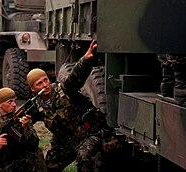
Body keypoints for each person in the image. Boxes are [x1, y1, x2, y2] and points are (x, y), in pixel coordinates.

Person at [26, 41, 117, 171]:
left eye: (45, 80)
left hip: (88, 134)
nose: (45, 85)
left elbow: (75, 76)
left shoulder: (64, 89)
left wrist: (85, 60)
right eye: (39, 83)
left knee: (84, 157)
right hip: (64, 143)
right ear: (33, 89)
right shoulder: (36, 105)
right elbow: (21, 119)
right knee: (48, 166)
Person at [0, 87, 46, 172]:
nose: (14, 105)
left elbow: (34, 145)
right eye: (10, 102)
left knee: (36, 154)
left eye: (15, 101)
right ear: (0, 104)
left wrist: (26, 129)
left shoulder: (21, 120)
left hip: (16, 163)